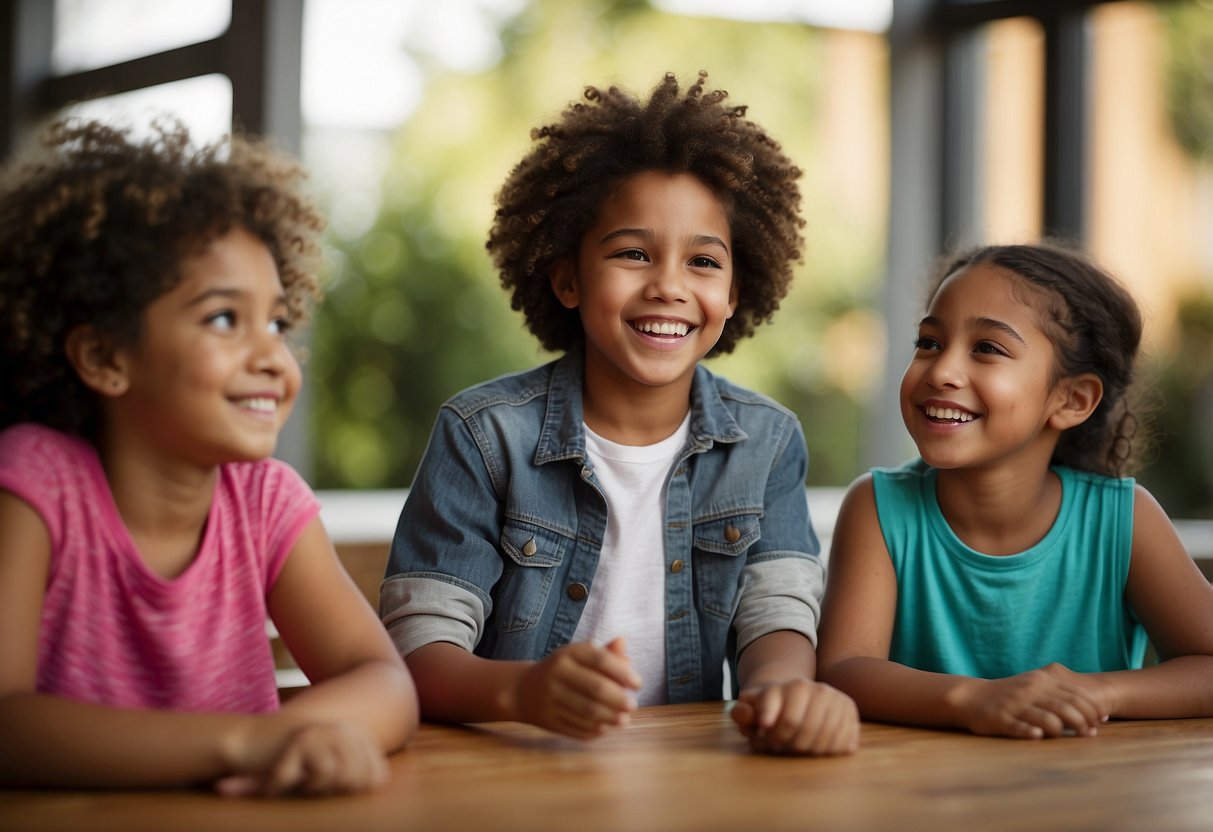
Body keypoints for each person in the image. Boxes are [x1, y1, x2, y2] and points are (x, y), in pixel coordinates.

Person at [380, 71, 859, 756]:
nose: (667, 285)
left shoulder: (767, 439)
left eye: (702, 261)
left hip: (686, 772)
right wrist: (522, 691)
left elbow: (774, 613)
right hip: (505, 767)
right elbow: (417, 648)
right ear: (568, 278)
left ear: (733, 293)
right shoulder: (484, 435)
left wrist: (780, 689)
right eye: (632, 254)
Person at [0, 119, 418, 795]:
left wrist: (304, 740)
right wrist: (247, 741)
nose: (271, 357)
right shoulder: (34, 484)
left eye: (277, 323)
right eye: (224, 318)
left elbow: (385, 684)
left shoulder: (266, 503)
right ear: (106, 357)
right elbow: (7, 724)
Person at [817, 242, 1213, 739]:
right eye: (929, 343)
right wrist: (973, 699)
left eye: (987, 349)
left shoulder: (1123, 518)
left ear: (1072, 399)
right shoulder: (877, 507)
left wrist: (1098, 693)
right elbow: (843, 669)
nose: (941, 371)